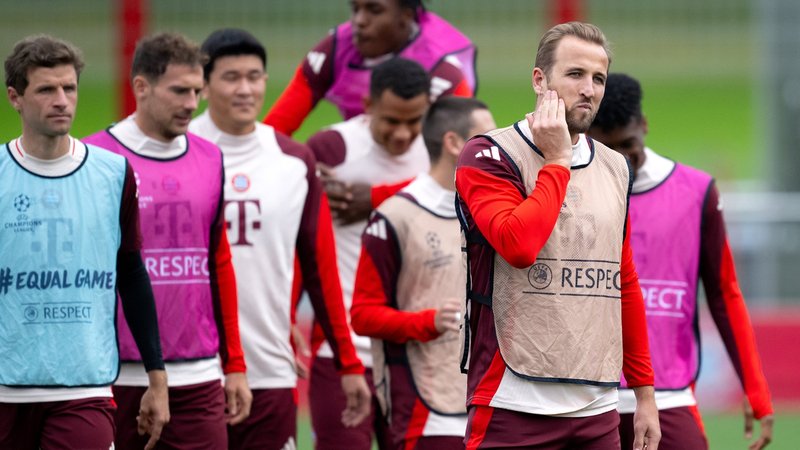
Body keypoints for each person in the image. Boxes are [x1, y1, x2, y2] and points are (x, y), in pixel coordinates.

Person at [454, 22, 661, 450]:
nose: (589, 89)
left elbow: (622, 280)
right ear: (539, 80)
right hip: (512, 403)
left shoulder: (616, 167)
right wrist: (557, 160)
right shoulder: (488, 155)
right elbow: (519, 246)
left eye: (598, 78)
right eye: (575, 74)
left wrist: (644, 394)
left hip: (598, 408)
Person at [188, 28, 372, 450]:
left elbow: (319, 267)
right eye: (231, 77)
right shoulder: (181, 149)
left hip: (269, 368)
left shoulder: (292, 160)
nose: (246, 89)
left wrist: (347, 362)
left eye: (254, 76)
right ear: (203, 84)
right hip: (189, 373)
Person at [587, 72, 775, 450]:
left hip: (669, 397)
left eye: (628, 145)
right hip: (583, 402)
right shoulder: (564, 190)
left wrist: (756, 390)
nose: (620, 162)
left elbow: (724, 294)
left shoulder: (696, 192)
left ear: (644, 125)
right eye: (607, 150)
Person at [83, 32, 251, 449]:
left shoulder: (211, 157)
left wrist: (234, 365)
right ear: (141, 87)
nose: (193, 104)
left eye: (197, 91)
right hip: (119, 376)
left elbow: (218, 263)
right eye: (179, 91)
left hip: (199, 376)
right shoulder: (96, 159)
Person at [0, 35, 169, 450]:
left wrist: (157, 378)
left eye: (69, 88)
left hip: (85, 390)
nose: (62, 100)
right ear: (15, 98)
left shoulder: (113, 174)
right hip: (5, 389)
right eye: (46, 89)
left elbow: (131, 272)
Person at [351, 96, 496, 450]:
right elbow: (362, 315)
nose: (497, 148)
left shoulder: (492, 211)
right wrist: (426, 322)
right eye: (486, 139)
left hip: (489, 403)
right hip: (427, 410)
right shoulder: (396, 216)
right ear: (453, 143)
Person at [306, 57, 432, 449]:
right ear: (368, 105)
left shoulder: (436, 152)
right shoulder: (330, 149)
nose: (403, 133)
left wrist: (377, 198)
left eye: (414, 121)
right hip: (342, 351)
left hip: (414, 353)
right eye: (391, 120)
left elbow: (467, 183)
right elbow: (300, 244)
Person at [264, 0, 476, 136]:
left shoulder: (443, 65)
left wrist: (375, 195)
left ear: (406, 16)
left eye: (374, 10)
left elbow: (459, 162)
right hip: (362, 151)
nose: (360, 21)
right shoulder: (337, 46)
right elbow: (274, 130)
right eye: (355, 9)